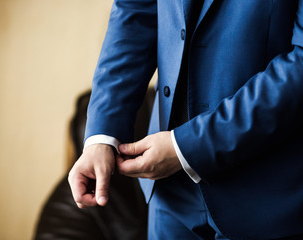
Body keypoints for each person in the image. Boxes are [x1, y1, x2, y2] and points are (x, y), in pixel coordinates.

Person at [68, 0, 303, 239]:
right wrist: (102, 135)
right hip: (169, 196)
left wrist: (186, 148)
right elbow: (135, 13)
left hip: (271, 195)